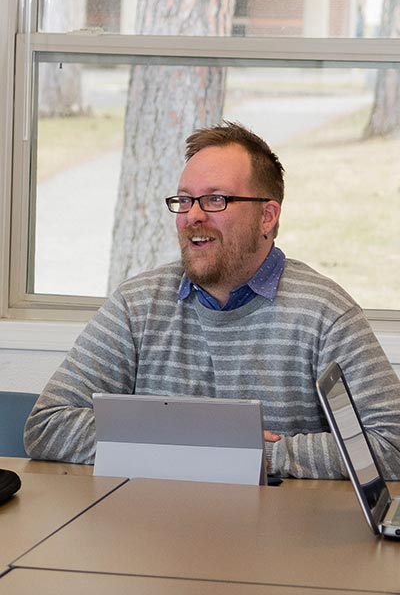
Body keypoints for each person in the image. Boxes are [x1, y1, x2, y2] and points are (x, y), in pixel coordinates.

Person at [24, 121, 400, 479]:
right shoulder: (137, 305)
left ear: (267, 216)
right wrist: (213, 447)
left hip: (277, 535)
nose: (193, 217)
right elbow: (47, 424)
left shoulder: (324, 312)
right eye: (185, 201)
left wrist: (268, 455)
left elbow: (392, 445)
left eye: (215, 200)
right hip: (154, 532)